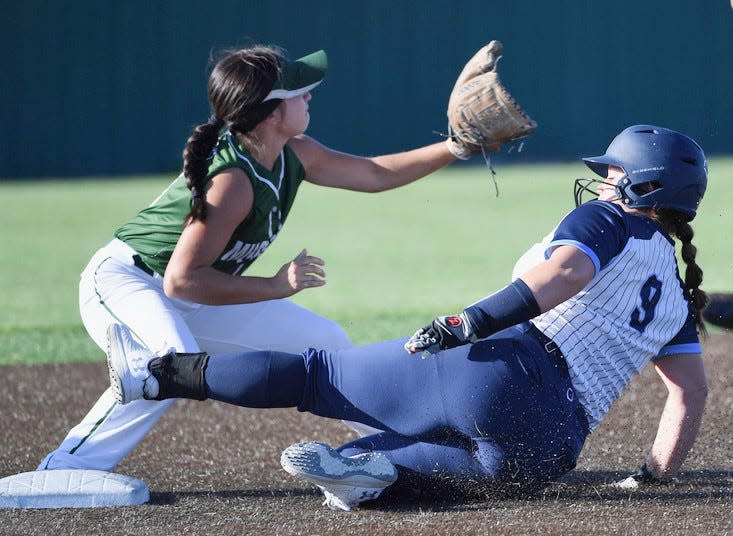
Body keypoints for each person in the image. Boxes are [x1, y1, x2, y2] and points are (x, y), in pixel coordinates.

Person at [105, 124, 710, 510]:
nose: (602, 180)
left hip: (499, 366)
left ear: (640, 185)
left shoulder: (606, 221)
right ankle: (372, 475)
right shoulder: (679, 296)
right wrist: (654, 478)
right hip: (549, 448)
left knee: (316, 376)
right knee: (422, 467)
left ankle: (158, 377)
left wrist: (470, 321)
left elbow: (567, 275)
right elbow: (688, 396)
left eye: (612, 173)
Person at [38, 44, 464, 475]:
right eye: (297, 91)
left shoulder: (293, 153)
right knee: (171, 363)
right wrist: (274, 287)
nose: (308, 95)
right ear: (271, 114)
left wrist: (456, 147)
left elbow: (374, 174)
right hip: (128, 282)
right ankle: (63, 471)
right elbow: (180, 281)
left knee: (326, 343)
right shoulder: (233, 182)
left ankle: (406, 452)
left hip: (199, 292)